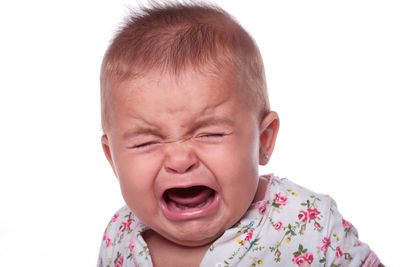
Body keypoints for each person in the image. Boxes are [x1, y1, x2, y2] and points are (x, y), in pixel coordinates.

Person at [97, 2, 382, 266]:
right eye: (146, 142)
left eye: (210, 134)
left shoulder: (309, 224)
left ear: (263, 140)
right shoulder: (119, 237)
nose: (180, 159)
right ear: (113, 159)